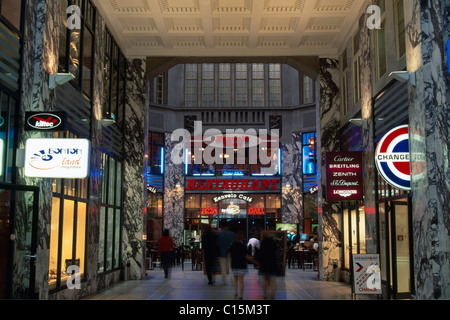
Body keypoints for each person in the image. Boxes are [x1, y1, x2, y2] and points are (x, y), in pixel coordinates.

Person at [228, 230, 255, 299]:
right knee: (241, 280)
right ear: (242, 238)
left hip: (234, 264)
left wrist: (228, 263)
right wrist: (254, 260)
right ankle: (241, 295)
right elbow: (246, 256)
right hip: (242, 265)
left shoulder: (232, 245)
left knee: (235, 279)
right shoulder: (244, 246)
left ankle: (236, 292)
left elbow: (229, 255)